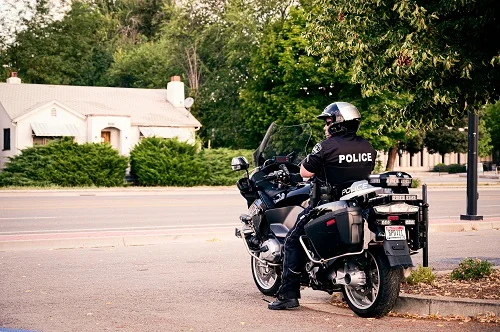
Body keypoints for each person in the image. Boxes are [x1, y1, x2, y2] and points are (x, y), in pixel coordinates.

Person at [268, 101, 377, 310]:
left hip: (328, 203)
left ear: (338, 123)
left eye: (328, 122)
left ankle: (288, 295)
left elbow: (305, 173)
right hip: (359, 202)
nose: (325, 127)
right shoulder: (367, 146)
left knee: (293, 240)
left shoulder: (326, 146)